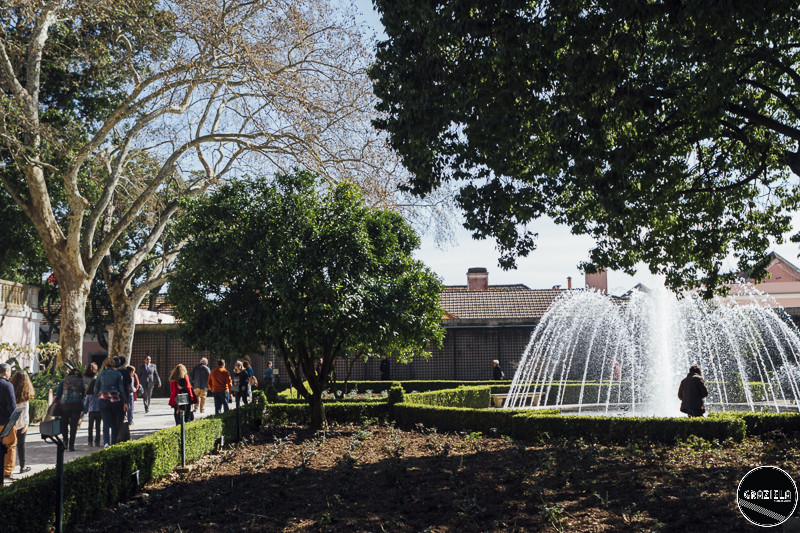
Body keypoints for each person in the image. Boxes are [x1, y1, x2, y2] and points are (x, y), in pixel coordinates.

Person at [94, 357, 128, 447]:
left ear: (104, 364)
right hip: (115, 399)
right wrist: (125, 401)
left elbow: (95, 389)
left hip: (103, 399)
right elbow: (121, 389)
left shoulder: (100, 374)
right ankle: (113, 442)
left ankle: (106, 442)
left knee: (105, 422)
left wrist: (99, 395)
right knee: (114, 423)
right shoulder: (118, 374)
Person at [55, 367, 86, 451]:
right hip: (77, 405)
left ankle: (65, 442)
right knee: (73, 426)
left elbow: (58, 393)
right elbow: (84, 393)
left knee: (64, 424)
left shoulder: (64, 380)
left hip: (65, 405)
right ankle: (71, 445)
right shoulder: (81, 381)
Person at [10, 370, 33, 474]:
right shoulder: (26, 394)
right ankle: (22, 466)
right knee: (21, 445)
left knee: (9, 445)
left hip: (10, 422)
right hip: (21, 423)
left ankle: (8, 466)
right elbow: (25, 411)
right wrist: (26, 423)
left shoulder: (10, 390)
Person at [0, 363, 17, 482]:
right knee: (10, 445)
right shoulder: (7, 385)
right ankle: (7, 471)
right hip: (5, 422)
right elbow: (12, 406)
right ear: (6, 372)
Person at [84, 371, 101, 447]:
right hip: (98, 411)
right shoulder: (99, 393)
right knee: (98, 427)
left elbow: (85, 404)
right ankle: (97, 441)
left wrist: (84, 412)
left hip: (91, 411)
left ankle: (90, 441)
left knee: (90, 427)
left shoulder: (88, 394)